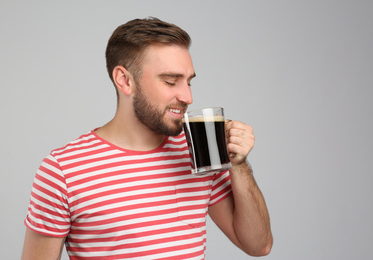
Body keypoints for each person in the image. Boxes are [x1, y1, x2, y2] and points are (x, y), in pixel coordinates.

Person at [21, 17, 273, 259]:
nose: (187, 97)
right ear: (124, 80)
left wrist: (239, 166)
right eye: (171, 81)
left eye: (188, 82)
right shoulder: (63, 170)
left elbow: (258, 245)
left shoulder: (198, 151)